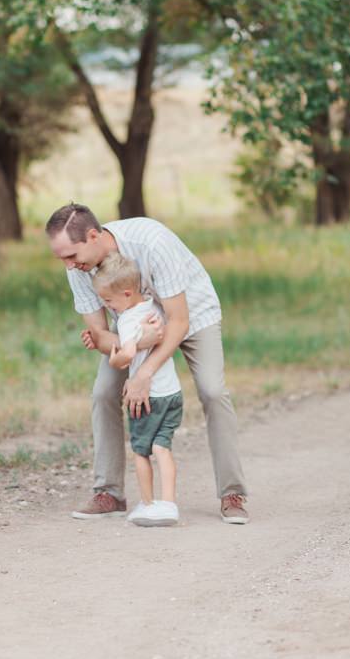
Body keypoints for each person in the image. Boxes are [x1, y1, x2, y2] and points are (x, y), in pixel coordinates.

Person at [46, 203, 249, 524]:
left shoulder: (151, 242)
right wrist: (131, 345)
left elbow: (178, 321)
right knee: (102, 393)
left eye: (72, 256)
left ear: (94, 235)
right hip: (134, 331)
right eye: (62, 259)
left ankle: (232, 493)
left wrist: (144, 373)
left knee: (212, 391)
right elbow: (101, 338)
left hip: (192, 317)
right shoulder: (79, 270)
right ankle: (109, 492)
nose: (69, 266)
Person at [92, 252, 182, 527]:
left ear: (127, 294)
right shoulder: (154, 307)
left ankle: (147, 503)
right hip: (172, 393)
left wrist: (114, 352)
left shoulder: (130, 321)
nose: (107, 306)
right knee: (163, 447)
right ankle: (169, 504)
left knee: (142, 451)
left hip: (147, 398)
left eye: (108, 301)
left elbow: (123, 357)